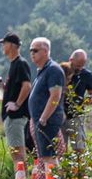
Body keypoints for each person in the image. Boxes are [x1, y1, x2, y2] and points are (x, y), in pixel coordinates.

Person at [0, 32, 33, 169]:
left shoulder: (20, 63)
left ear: (12, 45)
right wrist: (3, 88)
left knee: (17, 154)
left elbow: (27, 86)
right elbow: (17, 88)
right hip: (12, 116)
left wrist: (17, 104)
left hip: (15, 117)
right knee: (16, 152)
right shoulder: (14, 64)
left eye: (4, 43)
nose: (2, 46)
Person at [26, 37, 68, 169]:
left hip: (47, 121)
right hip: (39, 120)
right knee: (44, 156)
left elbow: (55, 96)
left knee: (49, 156)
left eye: (35, 50)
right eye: (30, 50)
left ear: (45, 51)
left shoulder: (53, 70)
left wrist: (44, 118)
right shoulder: (43, 71)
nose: (32, 53)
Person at [62, 48, 92, 157]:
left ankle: (79, 172)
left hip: (76, 116)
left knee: (79, 148)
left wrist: (89, 100)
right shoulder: (62, 71)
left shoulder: (86, 75)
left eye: (82, 66)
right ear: (71, 60)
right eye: (77, 66)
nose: (79, 68)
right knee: (60, 148)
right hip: (60, 115)